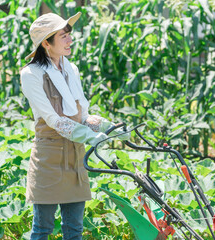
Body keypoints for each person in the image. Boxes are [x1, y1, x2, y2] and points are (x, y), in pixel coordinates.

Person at [20, 12, 127, 240]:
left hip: (75, 157)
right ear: (46, 43)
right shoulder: (31, 74)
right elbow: (53, 119)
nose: (70, 40)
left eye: (69, 34)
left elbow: (83, 115)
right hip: (49, 158)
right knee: (43, 228)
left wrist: (108, 126)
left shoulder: (71, 69)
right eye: (63, 36)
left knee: (74, 229)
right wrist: (88, 136)